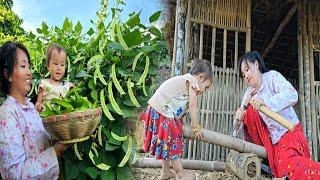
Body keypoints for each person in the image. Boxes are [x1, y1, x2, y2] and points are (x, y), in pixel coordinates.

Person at [235, 51, 320, 179]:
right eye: (243, 74)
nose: (246, 75)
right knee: (248, 112)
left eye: (247, 70)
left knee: (291, 171)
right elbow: (236, 133)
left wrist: (267, 103)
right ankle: (264, 157)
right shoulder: (248, 95)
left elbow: (292, 95)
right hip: (271, 143)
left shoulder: (272, 77)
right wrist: (238, 119)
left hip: (288, 133)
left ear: (256, 64)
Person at [0, 41, 69, 179]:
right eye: (23, 66)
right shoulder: (7, 113)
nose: (29, 73)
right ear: (8, 74)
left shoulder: (31, 108)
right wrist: (56, 152)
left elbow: (43, 142)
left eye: (29, 67)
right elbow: (15, 174)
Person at [140, 59, 213, 180]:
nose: (204, 91)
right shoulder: (192, 81)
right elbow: (193, 106)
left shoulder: (186, 81)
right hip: (162, 110)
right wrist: (196, 127)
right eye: (206, 87)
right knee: (174, 140)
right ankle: (180, 173)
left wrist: (179, 121)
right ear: (200, 77)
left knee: (166, 143)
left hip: (157, 109)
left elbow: (179, 108)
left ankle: (165, 171)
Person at [35, 43, 73, 112]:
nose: (59, 68)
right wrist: (38, 106)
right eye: (55, 64)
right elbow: (38, 102)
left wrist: (74, 89)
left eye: (62, 65)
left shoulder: (67, 85)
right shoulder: (44, 84)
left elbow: (74, 98)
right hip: (47, 119)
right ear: (48, 66)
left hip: (64, 119)